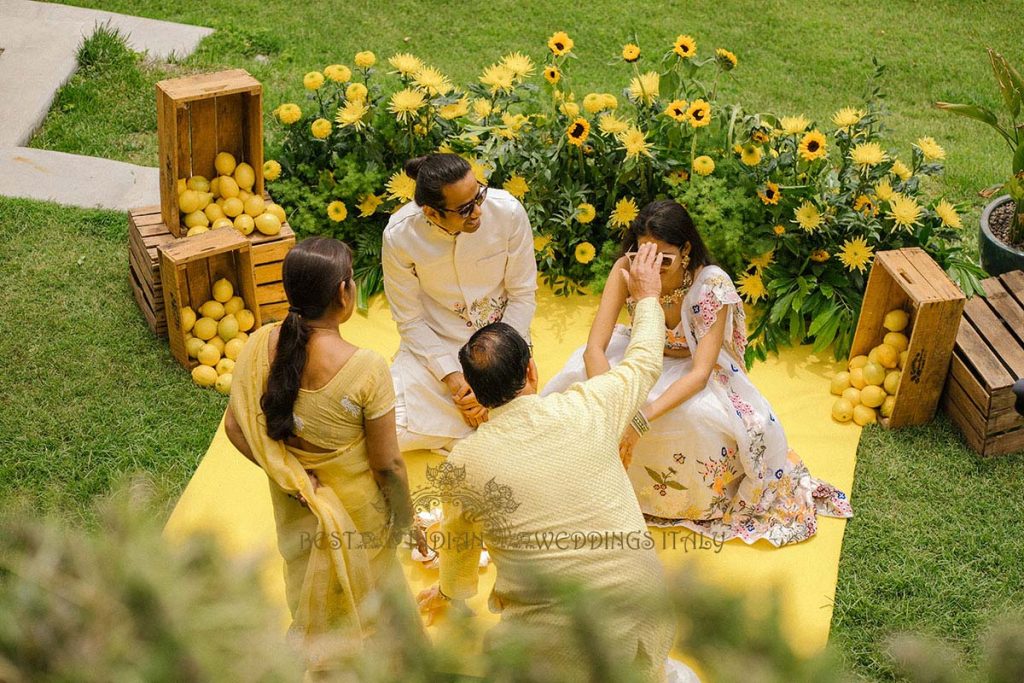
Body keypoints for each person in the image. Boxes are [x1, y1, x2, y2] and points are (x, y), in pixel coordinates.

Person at [418, 244, 686, 682]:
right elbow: (644, 359)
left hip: (554, 656)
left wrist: (451, 593)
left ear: (474, 393)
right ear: (532, 372)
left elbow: (459, 545)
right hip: (645, 621)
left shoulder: (463, 463)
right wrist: (650, 295)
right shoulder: (590, 405)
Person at [542, 200, 852, 547]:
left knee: (697, 418)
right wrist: (614, 403)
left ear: (686, 250)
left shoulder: (710, 285)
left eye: (664, 258)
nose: (652, 267)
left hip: (692, 368)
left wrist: (639, 419)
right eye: (643, 254)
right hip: (641, 355)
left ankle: (688, 502)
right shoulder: (625, 271)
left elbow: (701, 372)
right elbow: (593, 350)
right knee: (576, 389)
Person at [224, 237, 426, 673]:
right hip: (357, 515)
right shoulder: (367, 368)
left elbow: (235, 428)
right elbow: (387, 465)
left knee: (312, 596)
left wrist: (293, 477)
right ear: (343, 293)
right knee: (371, 601)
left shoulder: (261, 345)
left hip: (298, 508)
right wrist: (408, 521)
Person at [382, 153, 538, 453]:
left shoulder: (508, 212)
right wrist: (457, 383)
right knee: (388, 433)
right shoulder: (400, 235)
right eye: (465, 209)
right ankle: (469, 441)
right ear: (431, 212)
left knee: (523, 441)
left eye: (479, 194)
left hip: (502, 342)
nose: (478, 211)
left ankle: (466, 441)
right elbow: (410, 320)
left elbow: (522, 294)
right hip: (436, 348)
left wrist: (492, 370)